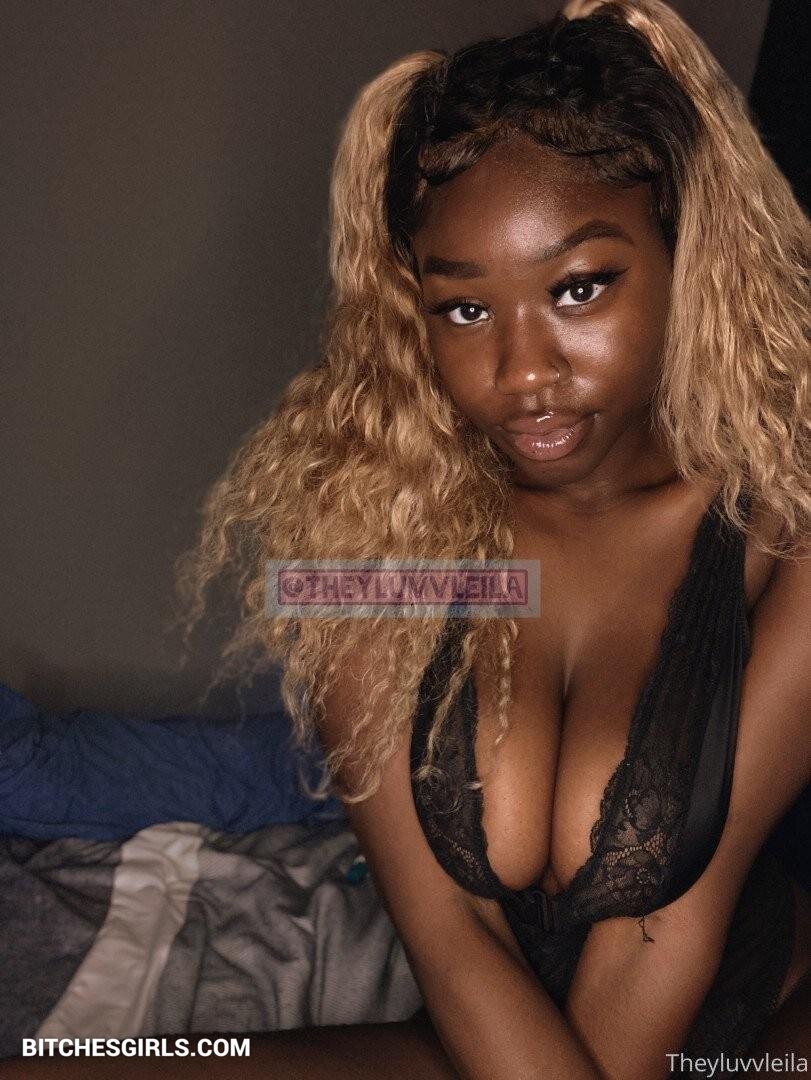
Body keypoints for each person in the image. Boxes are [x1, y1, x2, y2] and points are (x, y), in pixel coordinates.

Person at [6, 1, 807, 1077]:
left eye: (578, 289)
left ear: (685, 257)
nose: (522, 372)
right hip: (481, 1033)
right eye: (465, 310)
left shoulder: (782, 531)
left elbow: (664, 927)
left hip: (741, 1040)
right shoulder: (364, 534)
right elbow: (447, 932)